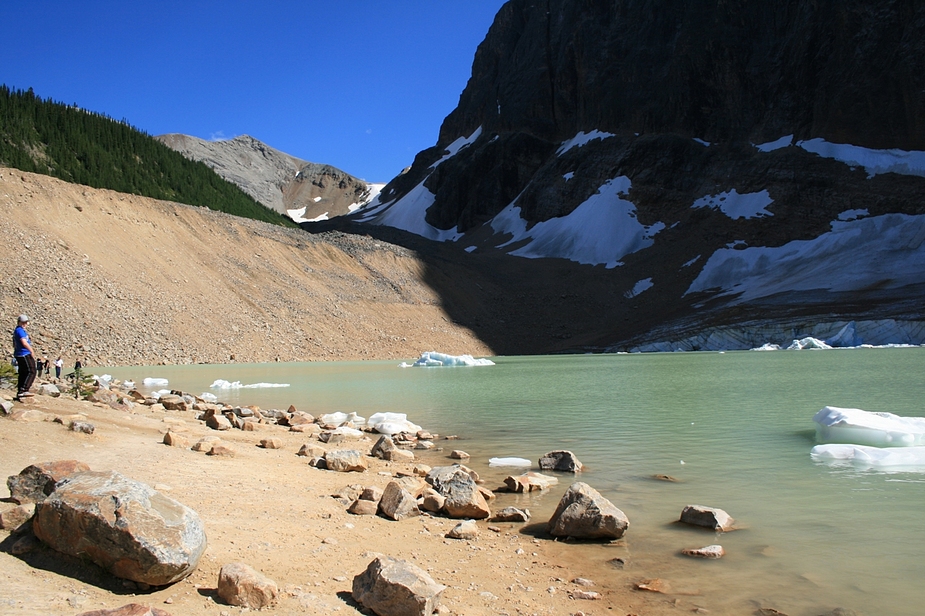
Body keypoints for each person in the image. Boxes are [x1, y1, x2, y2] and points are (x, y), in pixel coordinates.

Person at [12, 314, 37, 400]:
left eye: (25, 322)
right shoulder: (20, 331)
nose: (24, 324)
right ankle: (24, 389)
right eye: (23, 322)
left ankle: (20, 391)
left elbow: (14, 343)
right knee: (32, 371)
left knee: (23, 372)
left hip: (19, 353)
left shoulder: (18, 330)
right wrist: (31, 351)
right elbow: (24, 342)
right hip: (24, 353)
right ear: (19, 322)